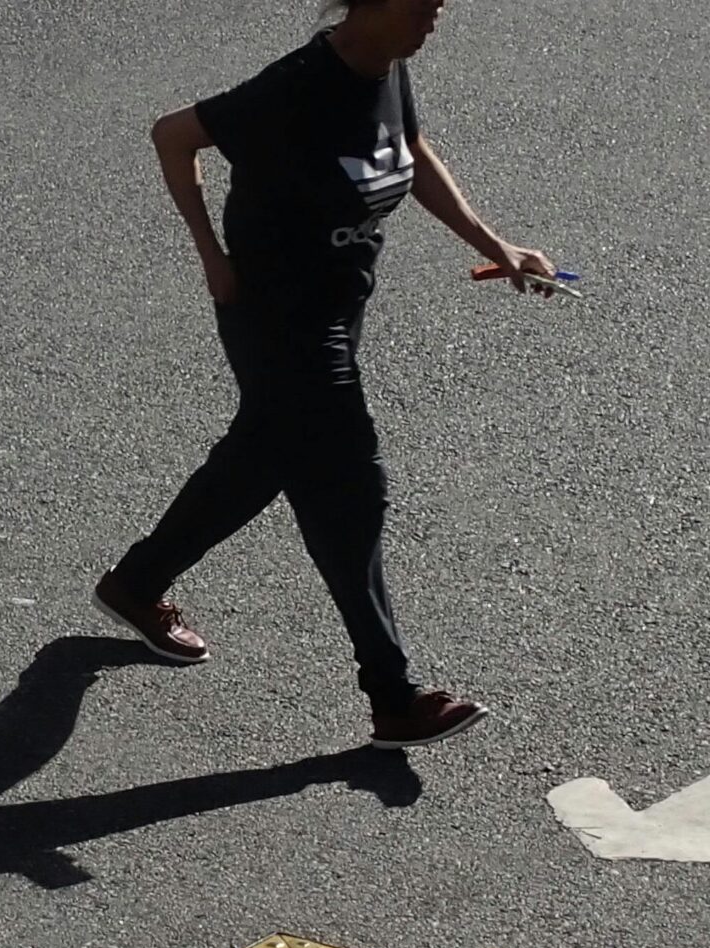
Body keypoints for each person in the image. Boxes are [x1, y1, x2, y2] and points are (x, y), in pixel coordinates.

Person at [93, 0, 559, 749]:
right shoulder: (296, 87)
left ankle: (136, 585)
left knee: (261, 459)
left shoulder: (385, 66)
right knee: (349, 488)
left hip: (339, 310)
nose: (436, 14)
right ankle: (393, 696)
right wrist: (211, 257)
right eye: (422, 2)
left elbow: (408, 148)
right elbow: (173, 136)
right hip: (278, 319)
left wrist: (495, 243)